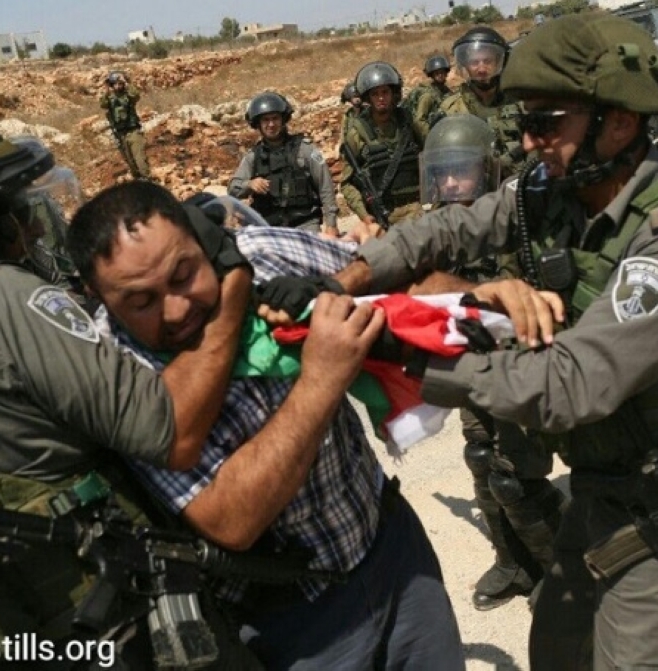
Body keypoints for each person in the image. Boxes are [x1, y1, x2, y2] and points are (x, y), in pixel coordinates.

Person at [262, 13, 658, 669]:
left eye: (548, 122)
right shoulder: (556, 186)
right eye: (524, 121)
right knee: (556, 647)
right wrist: (347, 276)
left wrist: (394, 346)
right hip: (602, 484)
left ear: (620, 123)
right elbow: (448, 230)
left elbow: (573, 384)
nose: (528, 140)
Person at [0, 118, 257, 668]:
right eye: (16, 203)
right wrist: (233, 283)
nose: (30, 222)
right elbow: (172, 429)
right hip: (117, 631)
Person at [65, 180, 465, 671]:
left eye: (184, 274)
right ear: (98, 297)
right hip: (295, 627)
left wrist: (485, 297)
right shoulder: (115, 374)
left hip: (394, 554)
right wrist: (320, 379)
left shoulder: (261, 253)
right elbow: (230, 520)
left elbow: (398, 281)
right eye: (141, 302)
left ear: (198, 240)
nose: (177, 308)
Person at [421, 114, 565, 612]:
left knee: (515, 475)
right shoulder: (438, 227)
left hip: (521, 365)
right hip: (472, 363)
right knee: (480, 459)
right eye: (444, 173)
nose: (452, 182)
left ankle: (561, 572)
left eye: (462, 171)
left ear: (487, 169)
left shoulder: (515, 225)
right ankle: (513, 561)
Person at [228, 91, 339, 237]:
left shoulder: (304, 149)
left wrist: (331, 224)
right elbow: (232, 189)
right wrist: (249, 184)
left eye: (275, 118)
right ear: (258, 124)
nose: (271, 124)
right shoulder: (253, 157)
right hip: (268, 226)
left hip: (305, 223)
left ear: (283, 119)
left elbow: (325, 186)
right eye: (266, 120)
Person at [340, 61, 424, 241]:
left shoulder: (408, 121)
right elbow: (346, 184)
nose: (381, 98)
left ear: (393, 93)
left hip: (414, 208)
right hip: (383, 215)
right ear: (367, 98)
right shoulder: (357, 132)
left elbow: (432, 152)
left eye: (385, 92)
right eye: (375, 94)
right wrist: (364, 215)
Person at [438, 27, 526, 175]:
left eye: (487, 61)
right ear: (465, 65)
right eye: (474, 62)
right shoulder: (451, 110)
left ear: (500, 62)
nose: (481, 69)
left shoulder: (520, 102)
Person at [100, 70, 151, 181]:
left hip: (133, 131)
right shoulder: (110, 98)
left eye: (121, 83)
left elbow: (136, 95)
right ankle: (138, 181)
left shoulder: (128, 95)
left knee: (140, 159)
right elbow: (103, 104)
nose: (120, 85)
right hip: (120, 134)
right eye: (117, 83)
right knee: (130, 161)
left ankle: (147, 181)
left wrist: (127, 82)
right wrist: (107, 90)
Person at [404, 55, 453, 139]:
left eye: (442, 72)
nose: (440, 75)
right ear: (432, 75)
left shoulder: (447, 92)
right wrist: (431, 137)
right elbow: (419, 121)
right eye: (437, 73)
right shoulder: (428, 95)